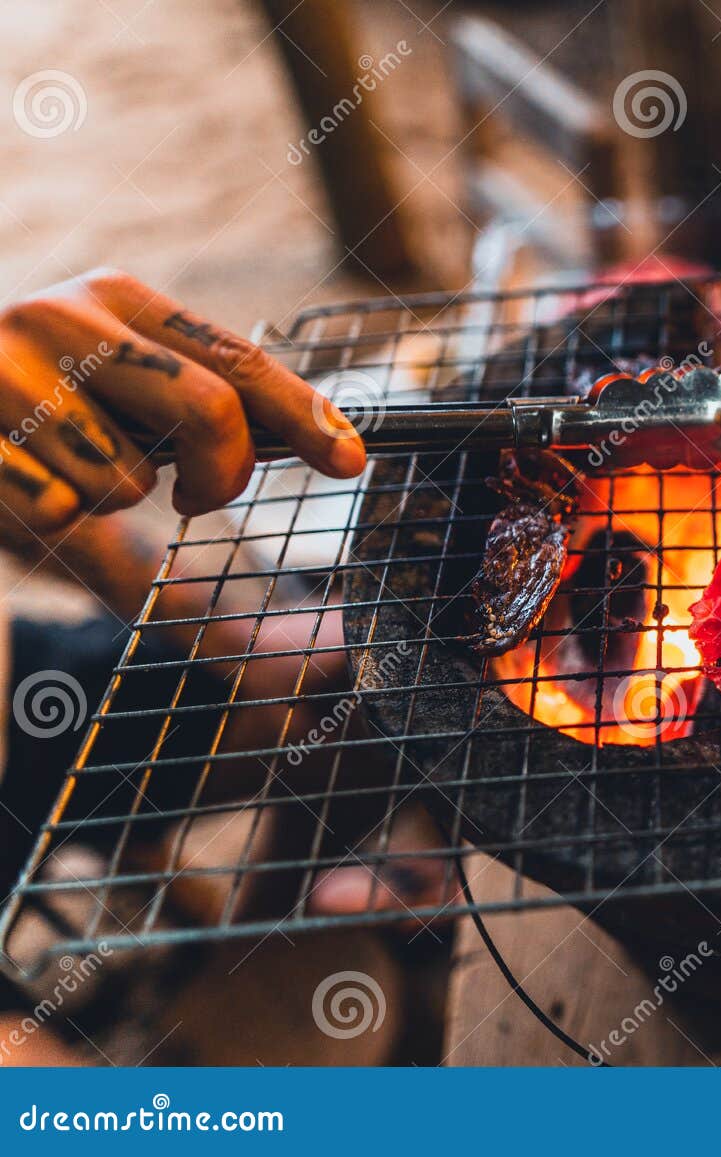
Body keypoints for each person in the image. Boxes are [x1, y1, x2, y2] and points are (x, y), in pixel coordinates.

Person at [0, 270, 447, 1060]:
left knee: (366, 677)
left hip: (23, 697)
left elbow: (26, 493)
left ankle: (254, 939)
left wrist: (232, 634)